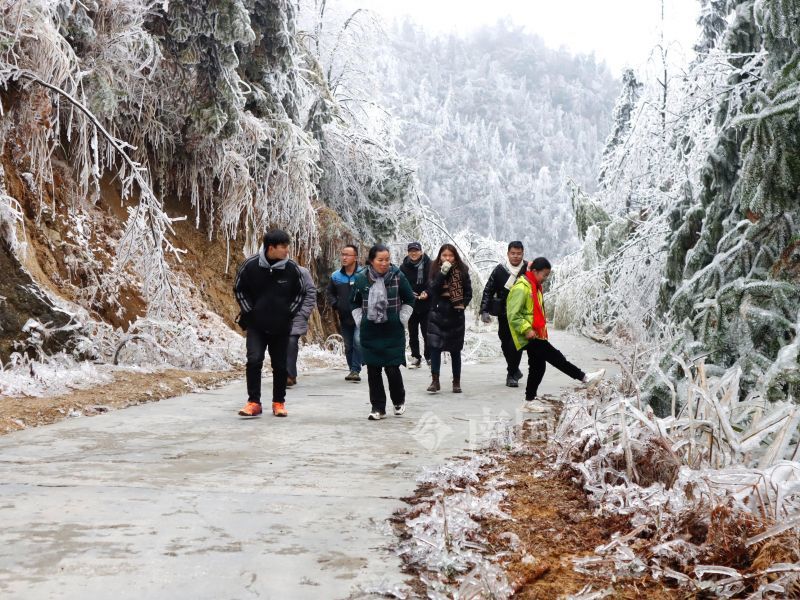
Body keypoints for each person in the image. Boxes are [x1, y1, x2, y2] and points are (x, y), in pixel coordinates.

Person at [506, 257, 605, 408]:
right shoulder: (521, 287)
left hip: (536, 333)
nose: (545, 279)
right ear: (534, 271)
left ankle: (529, 401)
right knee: (556, 357)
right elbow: (513, 314)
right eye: (544, 275)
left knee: (538, 367)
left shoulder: (534, 286)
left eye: (547, 275)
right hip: (528, 335)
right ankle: (585, 378)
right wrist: (526, 329)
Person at [234, 229, 312, 418]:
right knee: (254, 360)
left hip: (281, 326)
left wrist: (289, 313)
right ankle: (253, 402)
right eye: (283, 247)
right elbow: (239, 289)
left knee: (280, 365)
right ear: (271, 248)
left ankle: (279, 402)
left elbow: (301, 293)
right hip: (256, 326)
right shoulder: (250, 266)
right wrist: (250, 311)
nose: (287, 251)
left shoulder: (292, 269)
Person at [350, 244, 415, 420]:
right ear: (372, 260)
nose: (384, 263)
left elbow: (409, 299)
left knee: (392, 368)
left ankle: (398, 400)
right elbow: (354, 302)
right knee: (373, 370)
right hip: (370, 331)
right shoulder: (361, 278)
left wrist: (402, 318)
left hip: (392, 331)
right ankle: (378, 407)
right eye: (380, 260)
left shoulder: (398, 277)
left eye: (387, 259)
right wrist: (359, 319)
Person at [425, 244, 472, 394]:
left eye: (450, 256)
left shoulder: (462, 270)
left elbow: (468, 292)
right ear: (440, 256)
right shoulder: (433, 269)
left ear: (455, 256)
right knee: (435, 347)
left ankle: (456, 381)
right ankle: (435, 380)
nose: (447, 258)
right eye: (444, 255)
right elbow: (432, 289)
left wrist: (462, 305)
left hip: (455, 312)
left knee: (455, 349)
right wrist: (442, 273)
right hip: (437, 312)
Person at [480, 241, 528, 388]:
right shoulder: (500, 270)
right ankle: (514, 370)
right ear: (508, 254)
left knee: (516, 344)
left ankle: (511, 374)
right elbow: (488, 290)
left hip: (522, 313)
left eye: (518, 253)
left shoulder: (528, 269)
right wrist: (484, 310)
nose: (516, 256)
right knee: (505, 341)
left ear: (523, 254)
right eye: (513, 253)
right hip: (504, 313)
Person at [326, 244, 364, 382]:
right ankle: (352, 369)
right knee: (348, 345)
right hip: (344, 316)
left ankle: (355, 370)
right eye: (343, 254)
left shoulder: (363, 274)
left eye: (347, 255)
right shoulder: (336, 276)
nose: (344, 257)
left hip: (360, 315)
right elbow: (329, 292)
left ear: (355, 257)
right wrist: (336, 304)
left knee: (358, 341)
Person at [399, 241, 432, 368]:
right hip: (411, 304)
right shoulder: (403, 267)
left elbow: (432, 282)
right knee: (413, 333)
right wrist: (408, 293)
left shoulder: (429, 264)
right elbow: (403, 282)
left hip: (426, 303)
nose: (413, 253)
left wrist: (427, 292)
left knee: (427, 332)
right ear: (408, 252)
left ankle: (429, 356)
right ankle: (416, 357)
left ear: (421, 251)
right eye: (411, 251)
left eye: (416, 250)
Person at [286, 265, 317, 387]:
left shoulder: (301, 272)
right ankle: (288, 374)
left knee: (291, 341)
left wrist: (304, 312)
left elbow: (311, 292)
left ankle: (289, 375)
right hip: (276, 316)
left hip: (296, 316)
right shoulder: (269, 271)